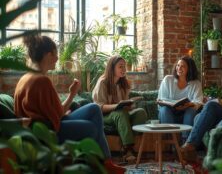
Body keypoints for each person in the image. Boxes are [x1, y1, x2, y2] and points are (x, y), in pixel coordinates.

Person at [14, 35, 125, 173]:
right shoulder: (41, 80)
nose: (57, 59)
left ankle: (105, 162)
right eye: (56, 54)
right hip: (48, 131)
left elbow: (48, 110)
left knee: (94, 108)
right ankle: (100, 165)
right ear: (49, 55)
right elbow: (58, 114)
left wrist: (64, 109)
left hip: (45, 124)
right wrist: (72, 93)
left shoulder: (27, 77)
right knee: (91, 128)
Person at [92, 56, 148, 162]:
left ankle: (125, 143)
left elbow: (125, 106)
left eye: (125, 66)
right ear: (112, 68)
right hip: (105, 116)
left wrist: (129, 105)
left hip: (121, 114)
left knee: (141, 112)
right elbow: (99, 107)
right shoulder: (103, 82)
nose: (124, 69)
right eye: (120, 67)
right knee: (120, 113)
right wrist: (117, 106)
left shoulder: (124, 83)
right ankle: (128, 150)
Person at [157, 56, 203, 140]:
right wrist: (171, 104)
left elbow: (198, 101)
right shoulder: (168, 80)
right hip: (169, 113)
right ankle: (171, 142)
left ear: (190, 68)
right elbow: (162, 99)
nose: (179, 68)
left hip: (185, 114)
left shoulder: (196, 83)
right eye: (178, 65)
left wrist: (189, 104)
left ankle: (185, 141)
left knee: (191, 110)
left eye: (183, 66)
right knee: (164, 109)